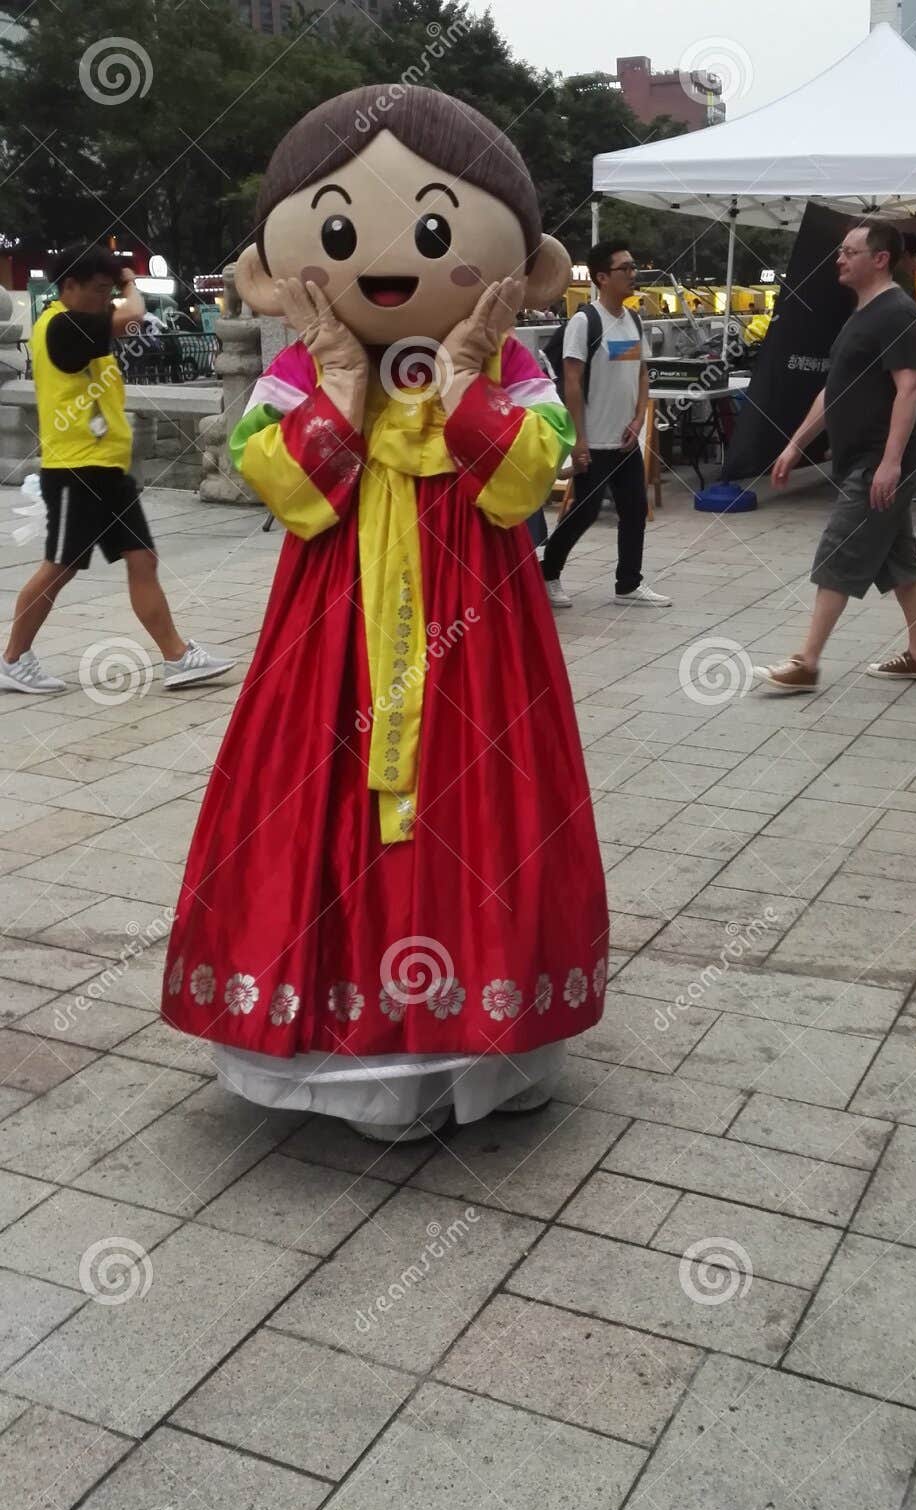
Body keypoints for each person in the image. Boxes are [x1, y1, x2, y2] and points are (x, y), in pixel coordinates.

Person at [161, 85, 609, 1143]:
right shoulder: (300, 372)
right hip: (333, 629)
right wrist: (341, 389)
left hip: (477, 635)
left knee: (477, 806)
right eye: (341, 232)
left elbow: (522, 485)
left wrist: (460, 382)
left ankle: (464, 1031)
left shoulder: (511, 364)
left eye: (435, 230)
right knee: (311, 802)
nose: (388, 259)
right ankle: (337, 1029)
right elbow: (289, 490)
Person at [0, 243, 233, 695]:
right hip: (75, 471)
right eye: (99, 290)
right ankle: (13, 659)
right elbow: (132, 317)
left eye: (110, 290)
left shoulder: (81, 327)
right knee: (60, 566)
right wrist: (129, 283)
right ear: (68, 286)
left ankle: (178, 657)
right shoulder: (61, 326)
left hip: (107, 469)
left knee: (142, 559)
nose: (106, 298)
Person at [755, 222, 916, 691]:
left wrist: (891, 463)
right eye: (841, 251)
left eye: (850, 252)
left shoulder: (897, 312)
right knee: (901, 563)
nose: (839, 259)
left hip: (877, 461)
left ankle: (806, 662)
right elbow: (833, 390)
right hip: (866, 458)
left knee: (838, 550)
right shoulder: (863, 313)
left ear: (880, 259)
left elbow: (910, 387)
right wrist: (796, 443)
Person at [540, 243, 670, 609]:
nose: (633, 273)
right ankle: (548, 573)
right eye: (625, 268)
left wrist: (640, 417)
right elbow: (571, 381)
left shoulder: (633, 320)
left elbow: (641, 372)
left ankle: (628, 584)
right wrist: (578, 439)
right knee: (586, 510)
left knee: (633, 510)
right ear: (602, 278)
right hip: (593, 440)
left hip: (625, 438)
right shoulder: (585, 321)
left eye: (633, 267)